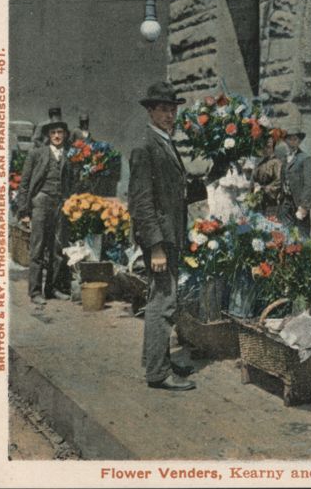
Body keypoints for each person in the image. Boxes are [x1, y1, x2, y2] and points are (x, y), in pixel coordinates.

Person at [128, 81, 203, 391]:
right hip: (161, 239)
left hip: (169, 234)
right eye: (163, 109)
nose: (170, 114)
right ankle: (158, 374)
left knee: (157, 299)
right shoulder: (145, 147)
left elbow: (173, 192)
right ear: (150, 111)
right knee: (164, 301)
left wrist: (207, 180)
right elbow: (141, 203)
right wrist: (156, 246)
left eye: (173, 109)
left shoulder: (164, 142)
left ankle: (155, 361)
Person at [15, 116, 76, 305]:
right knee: (38, 248)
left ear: (65, 135)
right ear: (48, 136)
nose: (57, 136)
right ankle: (35, 292)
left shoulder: (69, 156)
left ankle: (53, 288)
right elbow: (24, 184)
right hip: (41, 202)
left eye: (60, 133)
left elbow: (72, 183)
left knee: (58, 248)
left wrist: (70, 203)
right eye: (53, 133)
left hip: (61, 205)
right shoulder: (37, 154)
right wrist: (24, 212)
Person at [278, 123, 311, 238]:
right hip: (286, 202)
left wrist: (304, 206)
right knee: (285, 235)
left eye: (295, 139)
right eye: (289, 139)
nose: (292, 142)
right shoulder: (285, 159)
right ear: (285, 141)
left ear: (299, 141)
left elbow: (310, 184)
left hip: (299, 203)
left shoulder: (305, 158)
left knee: (302, 236)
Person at [251, 137, 283, 218]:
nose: (266, 149)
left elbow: (279, 181)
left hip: (270, 200)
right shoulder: (261, 163)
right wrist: (255, 187)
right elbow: (255, 178)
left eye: (268, 147)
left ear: (273, 148)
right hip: (258, 199)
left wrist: (264, 189)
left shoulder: (277, 162)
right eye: (264, 147)